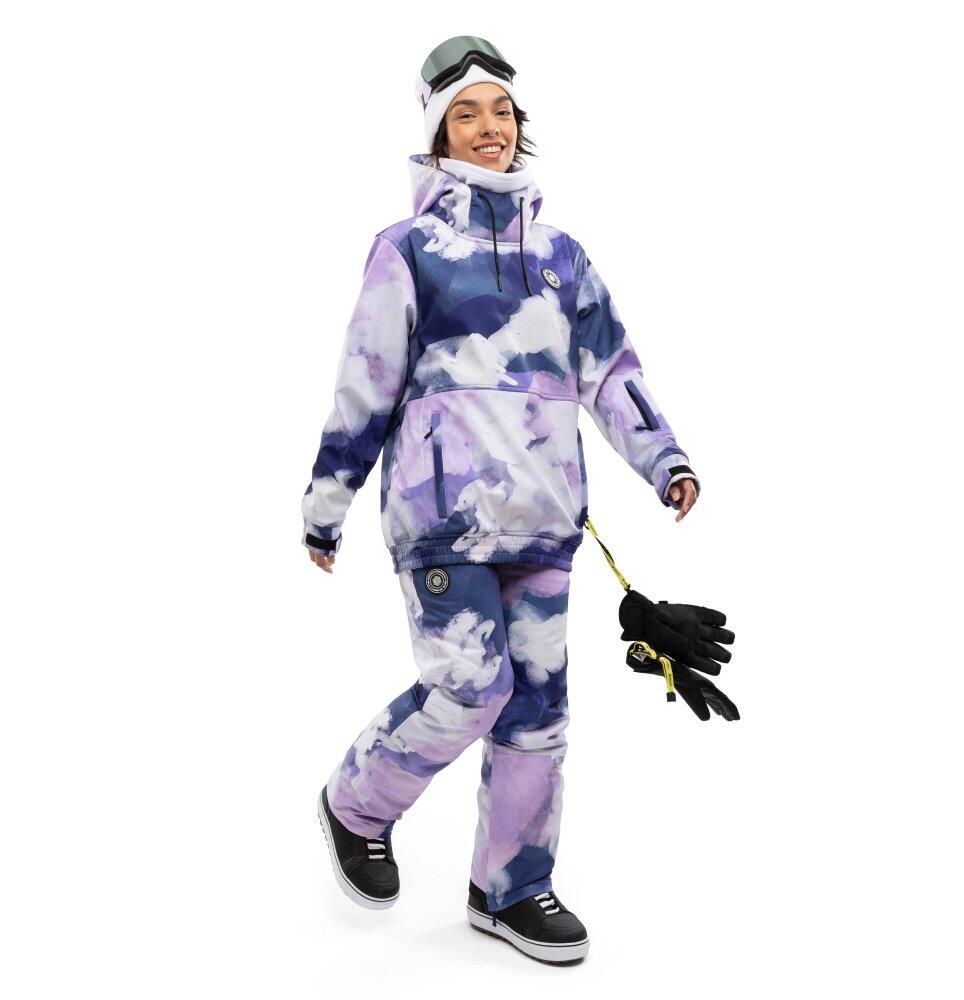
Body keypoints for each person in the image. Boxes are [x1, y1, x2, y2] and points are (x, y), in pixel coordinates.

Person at [303, 36, 699, 964]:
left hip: (546, 520)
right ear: (439, 130)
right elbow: (366, 380)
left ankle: (510, 886)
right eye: (467, 113)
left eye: (502, 112)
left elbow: (611, 371)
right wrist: (328, 501)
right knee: (471, 687)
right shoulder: (407, 250)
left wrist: (665, 459)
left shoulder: (562, 257)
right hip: (443, 519)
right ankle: (356, 803)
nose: (489, 127)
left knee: (538, 714)